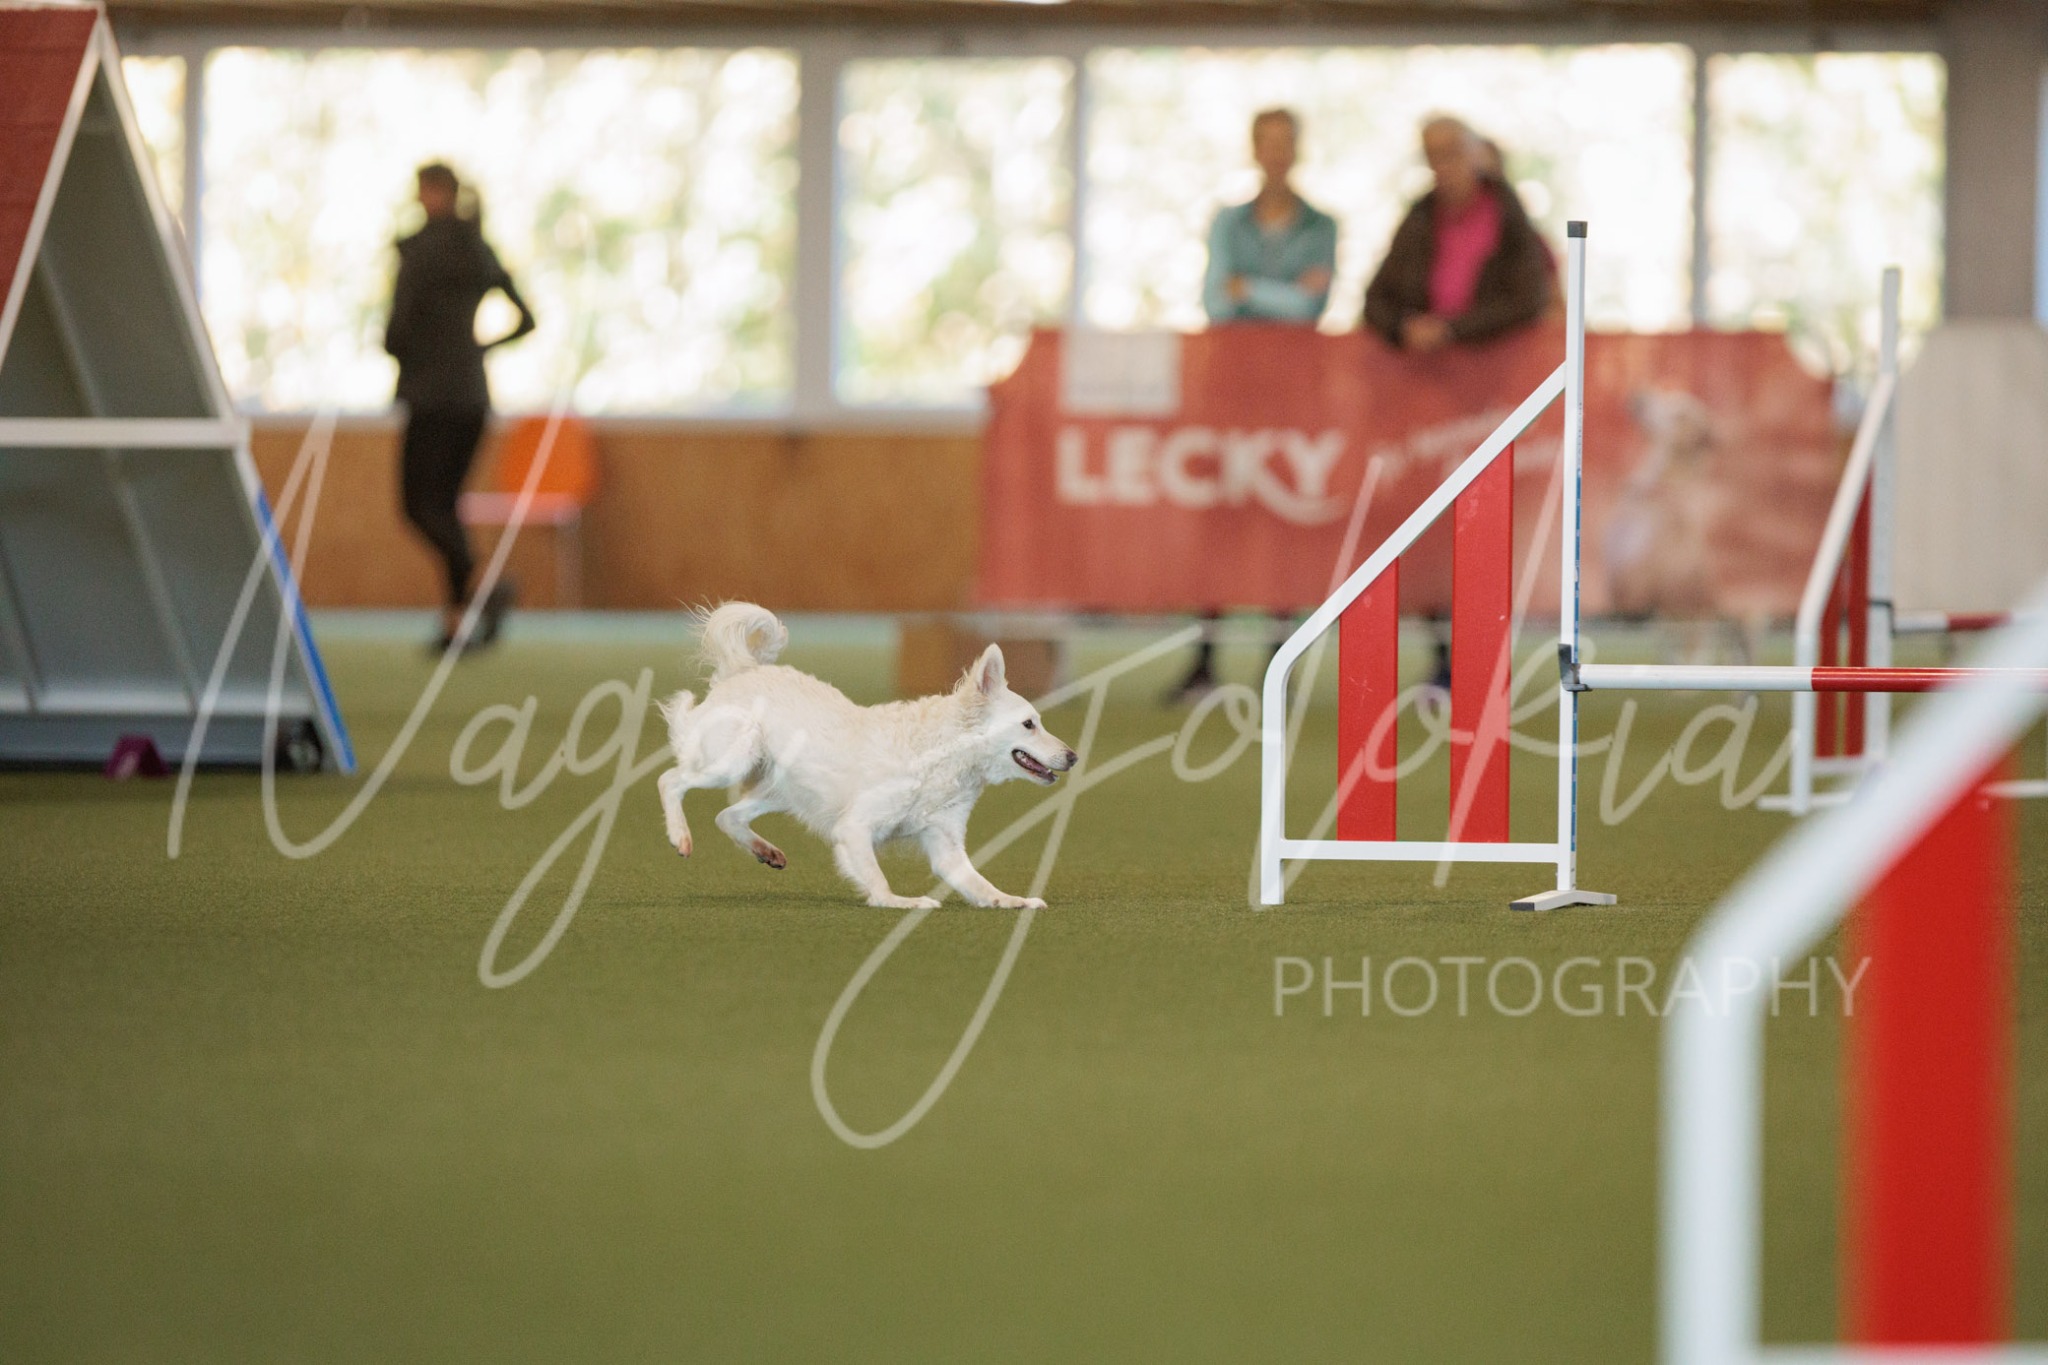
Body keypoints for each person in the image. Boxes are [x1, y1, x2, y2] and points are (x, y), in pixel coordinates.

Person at [1170, 109, 1337, 703]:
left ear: (1298, 150)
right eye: (1268, 143)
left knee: (1283, 519)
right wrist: (1279, 295)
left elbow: (1311, 307)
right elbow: (1218, 300)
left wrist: (1252, 290)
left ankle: (1277, 659)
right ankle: (1204, 659)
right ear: (1254, 149)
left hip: (1292, 394)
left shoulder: (1321, 225)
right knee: (1221, 518)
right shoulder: (1228, 221)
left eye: (1286, 143)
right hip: (1230, 390)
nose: (1277, 153)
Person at [383, 161, 535, 654]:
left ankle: (482, 588)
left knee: (418, 506)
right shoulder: (477, 247)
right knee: (445, 507)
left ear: (434, 192)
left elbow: (398, 329)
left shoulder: (420, 250)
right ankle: (457, 622)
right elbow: (526, 319)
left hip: (431, 397)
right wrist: (478, 350)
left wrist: (408, 351)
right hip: (471, 395)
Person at [1363, 116, 1553, 353]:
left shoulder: (1509, 219)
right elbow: (1377, 299)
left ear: (1478, 153)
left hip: (1499, 358)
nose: (1443, 165)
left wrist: (1455, 329)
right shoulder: (1418, 220)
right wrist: (1404, 328)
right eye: (1433, 155)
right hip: (1423, 366)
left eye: (1452, 152)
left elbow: (1528, 298)